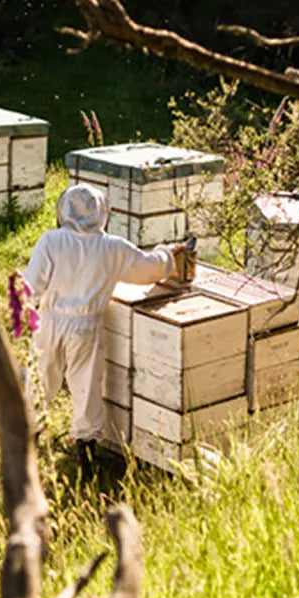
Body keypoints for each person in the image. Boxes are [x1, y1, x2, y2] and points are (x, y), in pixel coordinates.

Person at [22, 182, 182, 459]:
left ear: (63, 211)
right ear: (103, 213)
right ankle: (86, 449)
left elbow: (30, 285)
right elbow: (149, 268)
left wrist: (27, 311)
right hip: (85, 328)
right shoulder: (113, 247)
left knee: (40, 381)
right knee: (86, 387)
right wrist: (168, 254)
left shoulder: (51, 240)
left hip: (48, 322)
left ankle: (26, 437)